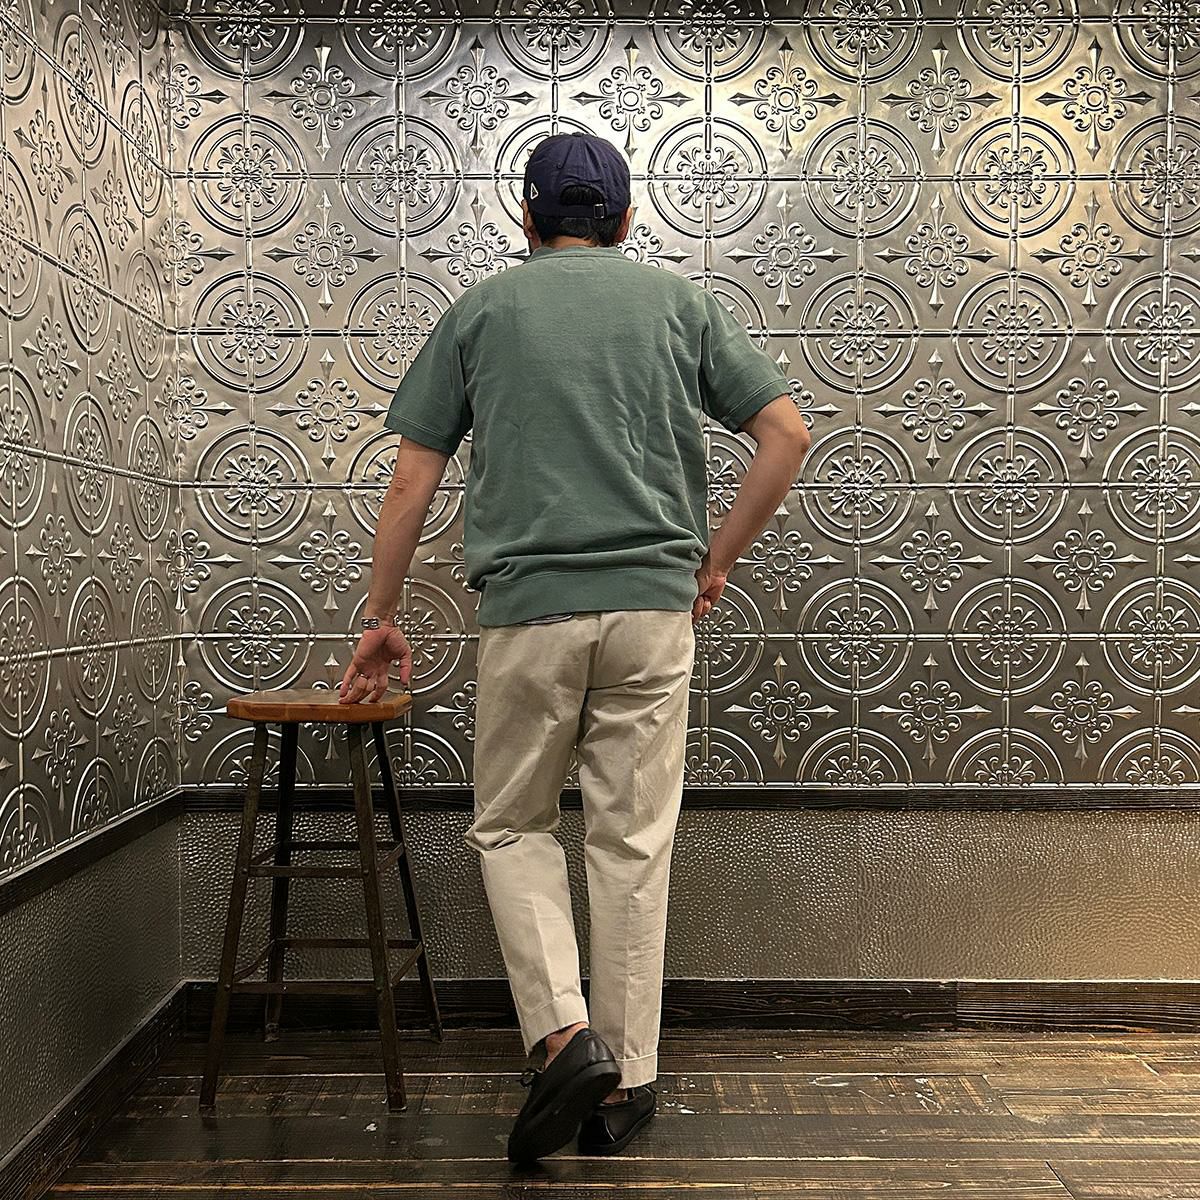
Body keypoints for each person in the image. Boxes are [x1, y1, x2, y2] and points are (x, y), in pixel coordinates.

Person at [339, 131, 811, 1163]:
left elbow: (412, 479)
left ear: (527, 218)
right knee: (631, 841)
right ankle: (625, 1082)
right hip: (652, 614)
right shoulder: (680, 305)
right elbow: (786, 434)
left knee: (513, 826)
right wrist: (714, 561)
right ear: (627, 221)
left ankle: (563, 1038)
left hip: (529, 615)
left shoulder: (481, 311)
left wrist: (381, 616)